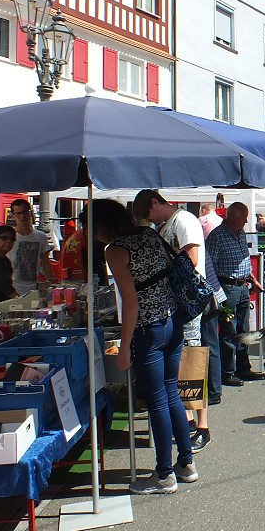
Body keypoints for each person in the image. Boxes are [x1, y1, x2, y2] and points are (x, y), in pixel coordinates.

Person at [94, 199, 195, 494]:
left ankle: (164, 474)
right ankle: (185, 464)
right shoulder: (151, 234)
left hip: (147, 330)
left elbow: (131, 302)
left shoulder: (115, 250)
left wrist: (124, 346)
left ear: (102, 225)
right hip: (172, 321)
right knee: (171, 393)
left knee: (157, 401)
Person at [133, 189, 213, 452]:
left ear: (155, 203)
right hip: (176, 304)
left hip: (186, 302)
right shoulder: (171, 223)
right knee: (181, 365)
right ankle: (188, 422)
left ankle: (202, 427)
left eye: (149, 215)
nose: (151, 221)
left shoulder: (184, 220)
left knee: (192, 360)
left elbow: (192, 259)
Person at [206, 202, 265, 385]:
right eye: (244, 217)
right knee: (229, 330)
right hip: (227, 287)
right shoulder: (217, 236)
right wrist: (217, 291)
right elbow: (210, 266)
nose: (247, 221)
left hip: (242, 286)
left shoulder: (239, 233)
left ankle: (243, 367)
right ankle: (227, 371)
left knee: (243, 330)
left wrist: (253, 278)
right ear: (233, 216)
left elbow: (244, 260)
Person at [8, 198, 54, 295]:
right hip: (11, 288)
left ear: (30, 213)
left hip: (33, 289)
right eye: (18, 213)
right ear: (13, 216)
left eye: (25, 212)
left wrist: (51, 283)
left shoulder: (40, 237)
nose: (22, 216)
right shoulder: (8, 236)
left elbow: (46, 262)